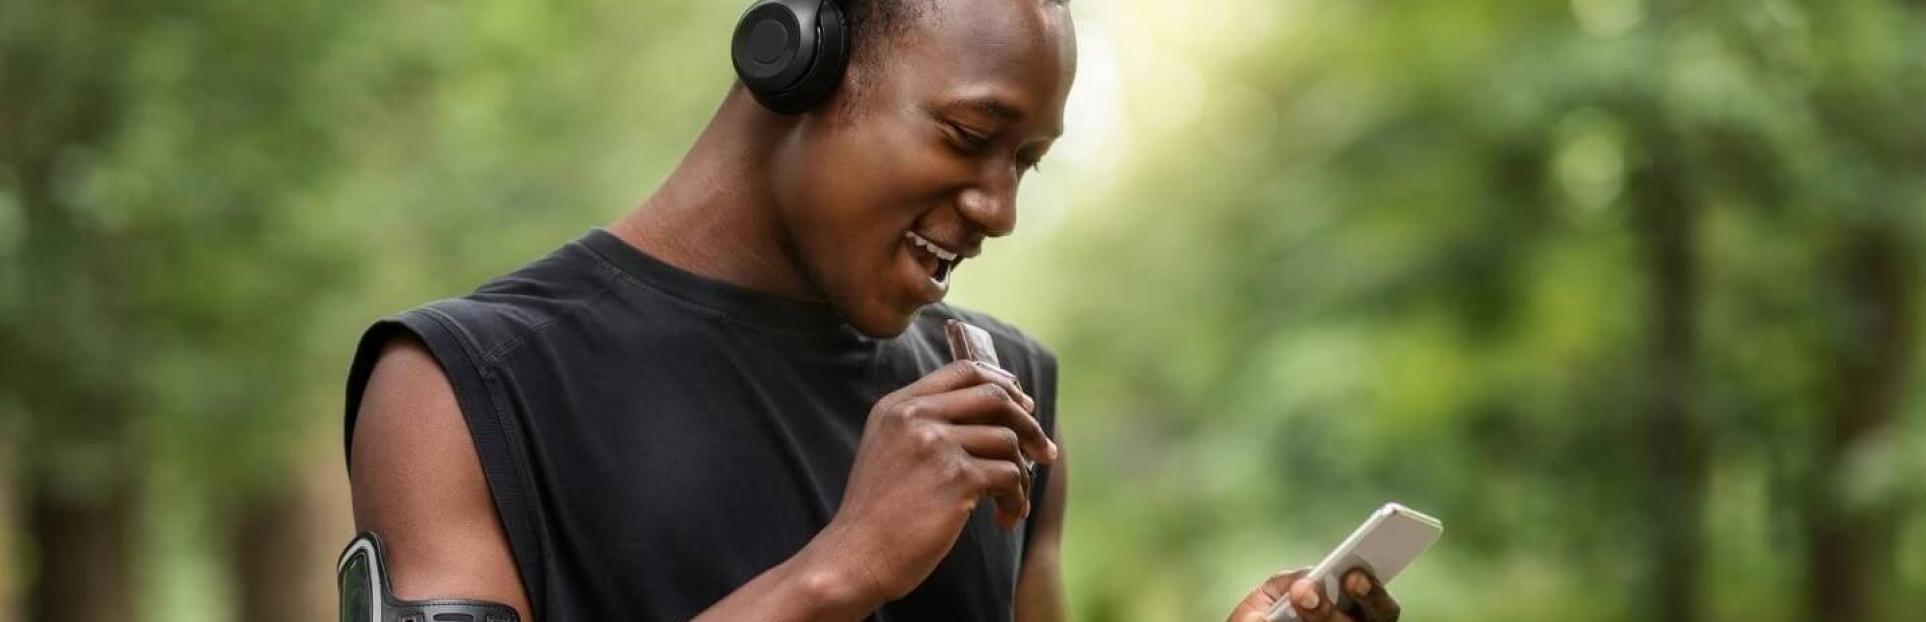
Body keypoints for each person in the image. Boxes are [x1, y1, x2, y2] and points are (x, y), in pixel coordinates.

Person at [342, 0, 1405, 620]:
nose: (999, 209)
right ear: (796, 65)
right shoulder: (460, 389)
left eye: (1027, 162)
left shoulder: (1007, 396)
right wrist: (834, 573)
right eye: (967, 135)